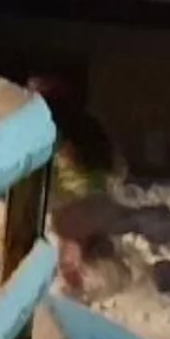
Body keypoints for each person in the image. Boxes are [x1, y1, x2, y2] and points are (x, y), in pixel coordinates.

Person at [26, 74, 118, 294]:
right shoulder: (89, 125)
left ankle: (75, 296)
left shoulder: (51, 131)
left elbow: (46, 172)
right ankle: (121, 280)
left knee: (68, 249)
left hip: (76, 205)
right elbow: (114, 166)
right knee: (93, 244)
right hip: (101, 202)